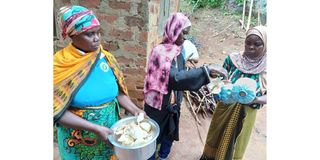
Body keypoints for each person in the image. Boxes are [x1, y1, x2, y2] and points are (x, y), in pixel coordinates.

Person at [53, 5, 145, 160]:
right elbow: (55, 111)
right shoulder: (59, 65)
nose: (97, 38)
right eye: (89, 34)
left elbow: (119, 94)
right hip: (78, 140)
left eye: (98, 32)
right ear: (73, 35)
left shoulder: (106, 58)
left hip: (109, 133)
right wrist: (94, 128)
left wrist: (136, 110)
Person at [143, 12, 228, 160]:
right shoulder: (160, 52)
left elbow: (181, 75)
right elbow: (175, 78)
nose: (185, 37)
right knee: (152, 137)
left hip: (173, 103)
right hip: (158, 105)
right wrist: (206, 72)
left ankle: (163, 156)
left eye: (187, 33)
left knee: (169, 132)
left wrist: (204, 78)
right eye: (183, 32)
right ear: (173, 29)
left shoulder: (178, 52)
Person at [200, 26, 267, 160]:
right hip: (224, 107)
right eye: (248, 42)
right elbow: (218, 80)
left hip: (247, 113)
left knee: (237, 142)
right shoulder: (232, 59)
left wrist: (256, 100)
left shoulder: (267, 67)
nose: (251, 47)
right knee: (216, 135)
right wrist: (218, 89)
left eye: (257, 44)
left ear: (265, 45)